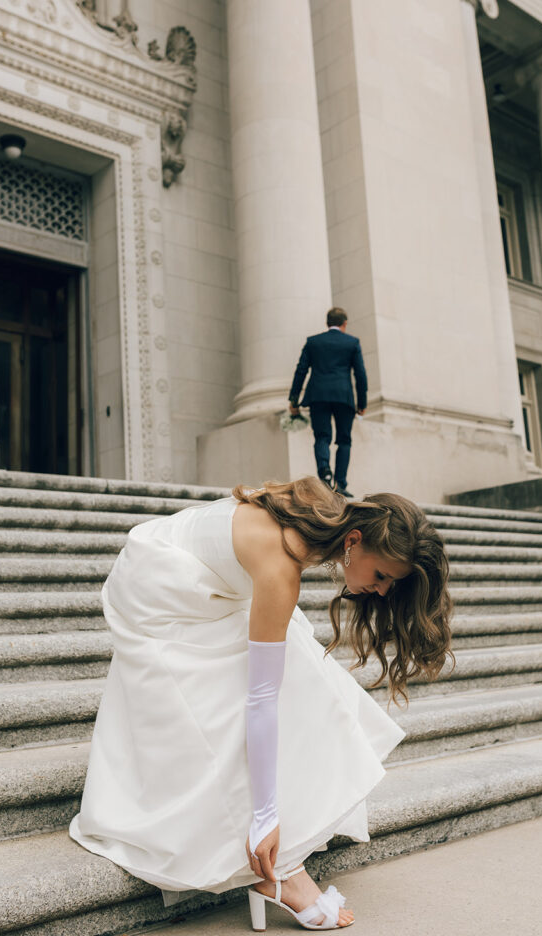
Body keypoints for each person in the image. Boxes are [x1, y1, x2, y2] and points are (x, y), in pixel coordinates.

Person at [70, 477, 452, 931]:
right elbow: (261, 699)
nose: (384, 592)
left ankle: (283, 861)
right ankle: (283, 871)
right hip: (160, 593)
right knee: (264, 688)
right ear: (353, 542)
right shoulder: (279, 568)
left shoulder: (322, 510)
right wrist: (266, 818)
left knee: (299, 663)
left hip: (187, 569)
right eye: (383, 576)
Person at [289, 307, 368, 497]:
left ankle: (324, 474)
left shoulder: (313, 342)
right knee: (344, 440)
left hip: (318, 396)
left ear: (327, 323)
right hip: (343, 396)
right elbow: (360, 374)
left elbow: (301, 371)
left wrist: (294, 400)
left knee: (321, 437)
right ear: (344, 324)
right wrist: (362, 403)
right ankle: (340, 484)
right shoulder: (352, 343)